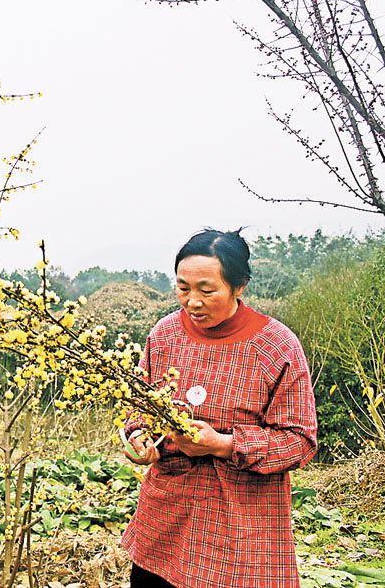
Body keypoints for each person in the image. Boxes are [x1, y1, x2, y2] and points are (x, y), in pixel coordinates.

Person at [121, 228, 317, 588]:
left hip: (241, 530)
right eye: (183, 288)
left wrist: (223, 444)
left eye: (206, 290)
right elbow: (139, 407)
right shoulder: (164, 335)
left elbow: (300, 441)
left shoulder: (276, 346)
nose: (192, 301)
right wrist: (137, 437)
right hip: (165, 521)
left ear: (238, 286)